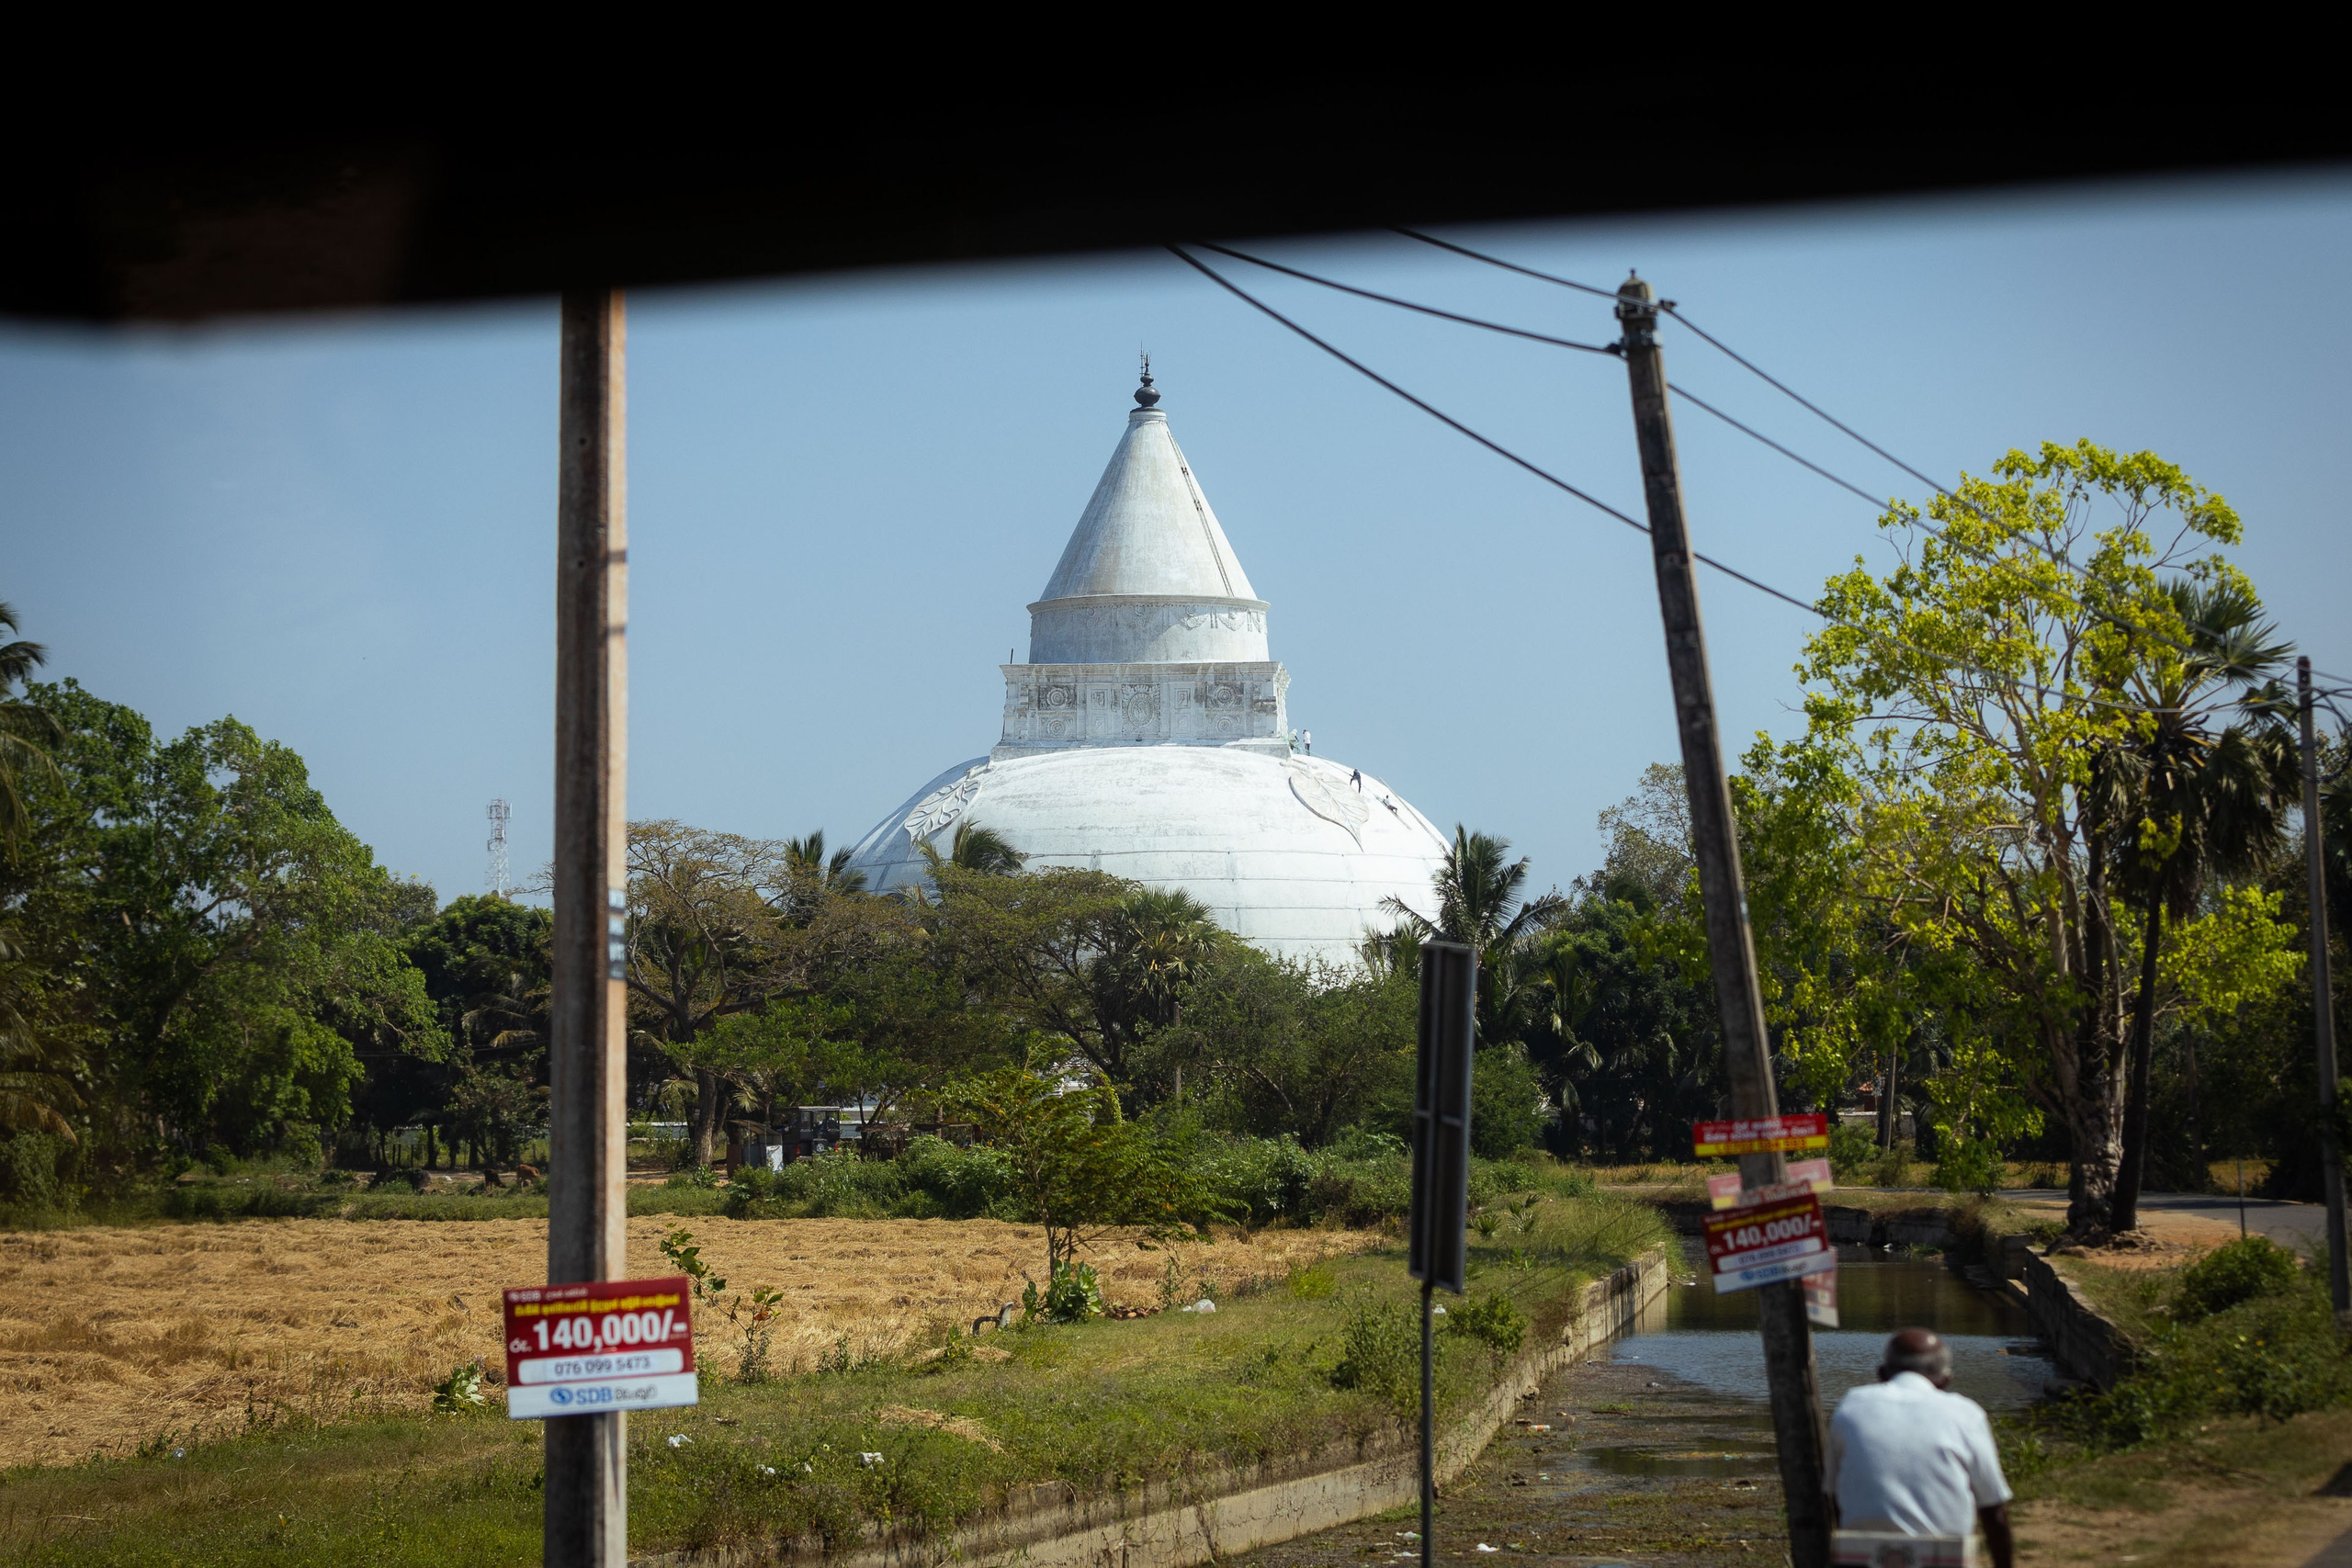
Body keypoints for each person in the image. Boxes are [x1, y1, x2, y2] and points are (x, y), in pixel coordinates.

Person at [1826, 1328, 2013, 1568]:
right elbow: (1993, 1508)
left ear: (1882, 1373)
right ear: (1945, 1380)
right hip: (1944, 1558)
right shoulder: (1966, 1414)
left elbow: (1833, 1494)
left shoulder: (1850, 1407)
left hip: (1861, 1559)